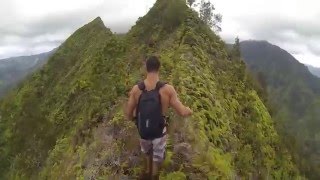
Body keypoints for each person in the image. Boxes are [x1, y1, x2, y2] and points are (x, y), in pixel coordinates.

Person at [125, 56, 193, 180]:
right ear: (158, 69)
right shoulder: (167, 90)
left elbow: (128, 113)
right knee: (157, 159)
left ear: (146, 69)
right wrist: (190, 110)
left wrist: (137, 118)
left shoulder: (136, 90)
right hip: (159, 133)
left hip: (143, 132)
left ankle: (146, 171)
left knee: (146, 153)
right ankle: (154, 175)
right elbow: (182, 112)